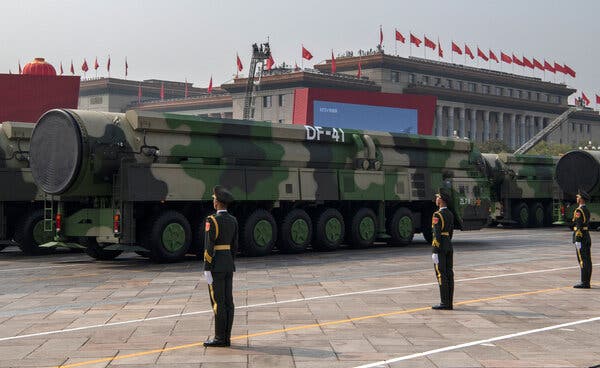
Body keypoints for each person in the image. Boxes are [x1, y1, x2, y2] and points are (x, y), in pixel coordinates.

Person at [203, 185, 239, 347]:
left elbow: (209, 246)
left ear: (217, 202)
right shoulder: (233, 220)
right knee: (229, 303)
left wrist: (206, 267)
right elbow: (235, 246)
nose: (213, 201)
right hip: (228, 265)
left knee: (218, 302)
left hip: (216, 266)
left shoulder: (212, 221)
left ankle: (219, 338)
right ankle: (227, 337)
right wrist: (230, 261)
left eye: (214, 199)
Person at [431, 187, 454, 310]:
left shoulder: (437, 214)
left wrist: (435, 250)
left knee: (441, 274)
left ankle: (444, 303)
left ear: (441, 200)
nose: (436, 199)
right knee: (449, 273)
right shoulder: (450, 213)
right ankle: (449, 302)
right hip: (449, 245)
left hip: (440, 247)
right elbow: (450, 232)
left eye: (437, 197)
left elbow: (436, 233)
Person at [572, 189, 592, 289]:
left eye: (577, 197)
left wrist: (577, 239)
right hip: (587, 236)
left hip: (581, 237)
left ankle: (584, 282)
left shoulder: (579, 210)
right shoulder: (586, 209)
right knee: (587, 260)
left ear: (581, 199)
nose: (576, 198)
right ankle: (587, 281)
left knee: (582, 260)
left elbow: (579, 225)